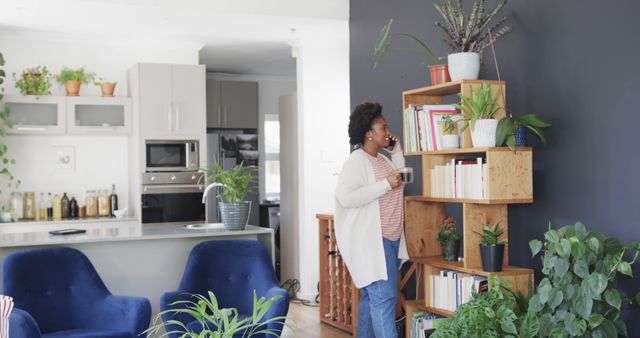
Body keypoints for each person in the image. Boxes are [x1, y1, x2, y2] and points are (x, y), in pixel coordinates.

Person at [334, 102, 409, 338]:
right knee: (384, 300)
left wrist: (397, 152)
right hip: (374, 242)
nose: (387, 132)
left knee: (372, 299)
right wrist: (385, 185)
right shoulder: (356, 161)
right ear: (368, 133)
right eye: (382, 128)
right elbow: (345, 197)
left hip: (391, 239)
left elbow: (399, 182)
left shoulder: (383, 160)